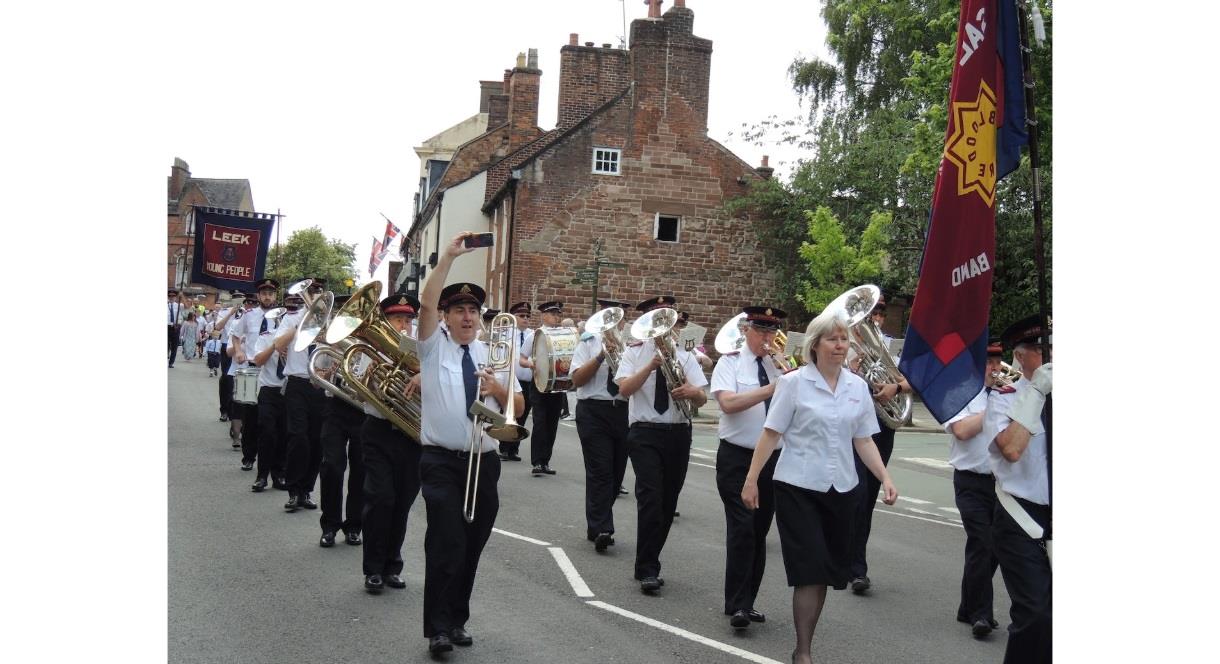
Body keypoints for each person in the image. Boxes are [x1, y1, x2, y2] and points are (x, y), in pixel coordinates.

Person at [741, 308, 898, 664]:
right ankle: (804, 651)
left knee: (825, 571)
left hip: (842, 490)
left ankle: (804, 645)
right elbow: (771, 433)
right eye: (833, 339)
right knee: (809, 568)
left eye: (844, 339)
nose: (840, 345)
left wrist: (885, 478)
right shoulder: (794, 383)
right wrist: (752, 480)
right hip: (797, 487)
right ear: (816, 345)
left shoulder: (857, 387)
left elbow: (864, 440)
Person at [414, 232, 523, 655]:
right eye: (458, 309)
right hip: (441, 460)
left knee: (472, 547)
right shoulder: (432, 348)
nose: (467, 317)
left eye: (473, 310)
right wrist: (448, 258)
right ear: (445, 316)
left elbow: (519, 405)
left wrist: (498, 388)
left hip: (484, 461)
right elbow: (425, 303)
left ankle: (457, 619)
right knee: (446, 544)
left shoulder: (491, 354)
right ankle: (437, 628)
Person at [615, 295, 708, 594]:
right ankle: (647, 568)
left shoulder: (686, 356)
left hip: (679, 432)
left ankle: (649, 557)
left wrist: (692, 391)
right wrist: (651, 366)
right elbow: (625, 389)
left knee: (668, 502)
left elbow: (702, 399)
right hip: (644, 432)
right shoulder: (633, 353)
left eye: (665, 321)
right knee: (651, 498)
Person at [712, 306, 786, 629]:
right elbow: (728, 403)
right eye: (761, 331)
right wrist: (771, 389)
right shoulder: (729, 362)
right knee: (742, 528)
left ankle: (747, 601)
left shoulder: (780, 366)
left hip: (772, 459)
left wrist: (791, 373)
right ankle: (738, 603)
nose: (767, 339)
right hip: (736, 457)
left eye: (772, 332)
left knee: (758, 532)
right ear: (746, 330)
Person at [985, 315, 1052, 664]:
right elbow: (1011, 450)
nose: (1052, 356)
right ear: (1021, 356)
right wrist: (1037, 393)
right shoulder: (1004, 398)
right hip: (1021, 516)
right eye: (1042, 350)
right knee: (1035, 615)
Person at [357, 293, 424, 595]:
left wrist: (425, 373)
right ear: (385, 321)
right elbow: (355, 389)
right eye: (398, 319)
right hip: (379, 431)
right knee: (380, 498)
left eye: (408, 320)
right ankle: (373, 569)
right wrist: (367, 378)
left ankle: (392, 565)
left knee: (402, 502)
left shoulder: (423, 351)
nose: (404, 326)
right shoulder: (369, 350)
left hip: (411, 435)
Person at [846, 292, 911, 594]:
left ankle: (857, 566)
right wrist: (854, 367)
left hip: (881, 428)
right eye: (871, 314)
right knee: (850, 494)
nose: (875, 319)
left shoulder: (892, 348)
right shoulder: (842, 344)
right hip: (848, 426)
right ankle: (841, 556)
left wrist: (895, 386)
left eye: (879, 314)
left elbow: (915, 380)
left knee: (866, 496)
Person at [942, 339, 1007, 638]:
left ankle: (968, 607)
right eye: (989, 363)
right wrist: (994, 406)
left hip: (1001, 484)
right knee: (983, 543)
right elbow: (962, 430)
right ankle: (981, 614)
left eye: (998, 362)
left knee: (990, 549)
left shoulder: (1009, 394)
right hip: (970, 481)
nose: (995, 368)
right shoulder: (959, 394)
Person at [569, 298, 631, 553]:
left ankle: (598, 523)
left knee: (616, 475)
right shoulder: (587, 341)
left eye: (619, 318)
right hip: (594, 411)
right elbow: (577, 380)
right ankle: (602, 527)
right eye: (609, 318)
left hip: (624, 411)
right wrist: (599, 357)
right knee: (600, 471)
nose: (615, 323)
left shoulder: (632, 344)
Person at [316, 292, 366, 549]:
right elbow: (315, 376)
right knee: (332, 466)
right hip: (335, 407)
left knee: (360, 470)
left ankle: (354, 525)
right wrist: (329, 370)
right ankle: (330, 525)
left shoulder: (371, 344)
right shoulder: (330, 342)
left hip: (361, 410)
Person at [273, 290, 324, 513]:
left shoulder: (328, 321)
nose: (314, 298)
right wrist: (301, 324)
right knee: (298, 436)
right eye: (311, 294)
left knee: (316, 441)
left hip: (320, 386)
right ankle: (293, 490)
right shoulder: (291, 318)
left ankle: (306, 490)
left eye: (319, 295)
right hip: (297, 383)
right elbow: (278, 345)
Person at [233, 278, 286, 488]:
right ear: (258, 295)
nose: (267, 296)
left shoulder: (284, 317)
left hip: (278, 374)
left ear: (275, 296)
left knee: (278, 428)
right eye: (264, 293)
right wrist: (238, 351)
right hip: (255, 366)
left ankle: (277, 472)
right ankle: (249, 457)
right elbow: (235, 335)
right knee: (254, 419)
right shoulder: (249, 315)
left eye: (271, 293)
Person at [249, 290, 289, 493]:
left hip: (287, 391)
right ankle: (261, 475)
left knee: (283, 435)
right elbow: (258, 361)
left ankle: (279, 475)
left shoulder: (297, 338)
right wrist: (275, 346)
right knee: (267, 433)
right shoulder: (266, 337)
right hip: (268, 390)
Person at [523, 301, 567, 475]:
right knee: (540, 422)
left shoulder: (562, 335)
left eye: (558, 314)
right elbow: (522, 359)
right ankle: (537, 462)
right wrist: (532, 364)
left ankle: (546, 461)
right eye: (553, 314)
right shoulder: (534, 335)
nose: (556, 317)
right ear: (543, 315)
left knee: (552, 424)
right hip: (539, 384)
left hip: (557, 384)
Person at [502, 301, 533, 462]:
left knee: (522, 415)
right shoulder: (505, 333)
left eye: (528, 316)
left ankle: (513, 448)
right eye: (521, 316)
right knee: (508, 414)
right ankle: (504, 447)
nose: (525, 319)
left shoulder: (532, 334)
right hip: (510, 380)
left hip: (527, 381)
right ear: (513, 317)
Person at [168, 288, 187, 367]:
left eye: (173, 296)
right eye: (170, 296)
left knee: (174, 346)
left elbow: (187, 306)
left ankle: (171, 362)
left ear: (175, 297)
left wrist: (182, 296)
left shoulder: (179, 305)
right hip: (167, 327)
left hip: (176, 328)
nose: (171, 297)